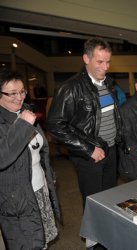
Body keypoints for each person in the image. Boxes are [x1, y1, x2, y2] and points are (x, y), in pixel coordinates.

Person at [46, 37, 125, 207]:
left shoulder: (109, 84)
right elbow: (54, 125)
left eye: (108, 62)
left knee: (110, 199)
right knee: (94, 204)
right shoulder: (70, 88)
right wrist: (88, 149)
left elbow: (110, 116)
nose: (106, 67)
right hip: (89, 156)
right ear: (86, 59)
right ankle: (91, 235)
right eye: (100, 61)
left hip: (110, 151)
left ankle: (107, 233)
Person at [0, 69, 60, 249]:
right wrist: (24, 125)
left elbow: (39, 150)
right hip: (18, 200)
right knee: (28, 244)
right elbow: (2, 156)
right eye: (12, 93)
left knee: (42, 242)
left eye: (22, 91)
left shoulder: (25, 111)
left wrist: (48, 174)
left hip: (39, 190)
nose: (19, 97)